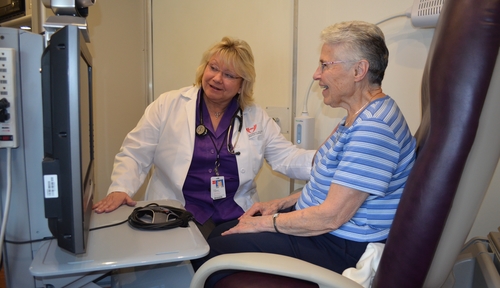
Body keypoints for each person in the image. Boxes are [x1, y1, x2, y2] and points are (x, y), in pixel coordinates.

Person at [191, 21, 417, 287]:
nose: (316, 75)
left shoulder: (373, 129)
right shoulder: (359, 116)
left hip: (338, 243)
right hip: (329, 231)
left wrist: (268, 223)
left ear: (359, 70)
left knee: (211, 250)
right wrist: (282, 203)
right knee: (220, 232)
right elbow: (336, 186)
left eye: (325, 65)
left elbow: (332, 216)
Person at [92, 36, 315, 237]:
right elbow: (135, 152)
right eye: (213, 68)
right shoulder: (168, 104)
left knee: (236, 267)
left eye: (228, 75)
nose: (217, 78)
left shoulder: (254, 116)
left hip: (236, 212)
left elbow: (286, 157)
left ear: (242, 84)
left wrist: (326, 160)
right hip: (177, 210)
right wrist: (121, 189)